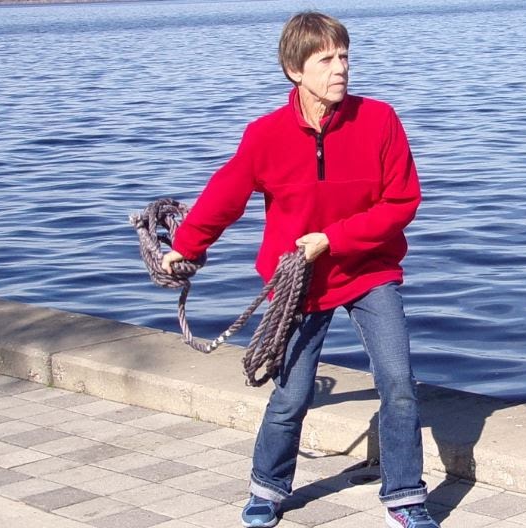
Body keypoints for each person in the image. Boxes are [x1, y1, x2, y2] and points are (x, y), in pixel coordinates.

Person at [161, 11, 438, 528]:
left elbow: (402, 202)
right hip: (297, 282)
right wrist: (186, 246)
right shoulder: (265, 134)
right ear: (295, 70)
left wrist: (334, 238)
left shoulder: (379, 119)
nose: (341, 69)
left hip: (369, 270)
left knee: (399, 383)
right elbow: (226, 194)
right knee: (292, 394)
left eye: (344, 57)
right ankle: (267, 488)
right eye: (326, 60)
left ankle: (404, 497)